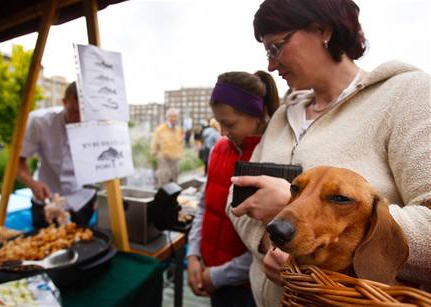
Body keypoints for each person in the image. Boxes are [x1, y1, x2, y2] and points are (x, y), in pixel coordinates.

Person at [226, 0, 431, 305]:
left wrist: (295, 212)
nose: (270, 65)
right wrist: (272, 241)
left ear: (322, 31)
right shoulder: (283, 116)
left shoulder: (407, 96)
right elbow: (236, 199)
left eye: (275, 47)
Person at [187, 70, 280, 307]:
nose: (223, 132)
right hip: (209, 270)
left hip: (246, 286)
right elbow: (203, 205)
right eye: (219, 123)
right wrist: (193, 254)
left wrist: (218, 276)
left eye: (229, 124)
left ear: (256, 115)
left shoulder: (269, 159)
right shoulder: (219, 149)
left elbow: (267, 241)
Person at [17, 82, 97, 229]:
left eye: (84, 113)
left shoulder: (98, 127)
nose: (79, 118)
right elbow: (18, 161)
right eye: (74, 111)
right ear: (64, 102)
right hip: (46, 199)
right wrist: (32, 183)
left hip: (82, 200)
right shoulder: (39, 122)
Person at [150, 108, 185, 187]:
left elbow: (181, 143)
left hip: (175, 158)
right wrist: (154, 153)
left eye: (175, 116)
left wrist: (181, 154)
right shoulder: (160, 129)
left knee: (174, 179)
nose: (173, 118)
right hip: (164, 158)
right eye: (171, 116)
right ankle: (163, 198)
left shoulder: (179, 130)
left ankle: (173, 198)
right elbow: (154, 143)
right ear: (167, 117)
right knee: (164, 179)